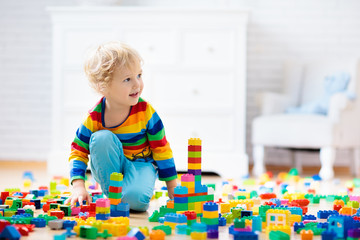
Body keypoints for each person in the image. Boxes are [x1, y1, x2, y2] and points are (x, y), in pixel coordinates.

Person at [64, 41, 178, 211]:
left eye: (139, 75)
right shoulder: (94, 118)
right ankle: (114, 194)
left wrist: (172, 187)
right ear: (103, 87)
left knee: (136, 202)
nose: (137, 84)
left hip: (141, 164)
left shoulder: (146, 112)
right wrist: (78, 186)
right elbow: (78, 152)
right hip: (112, 167)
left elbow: (161, 149)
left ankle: (124, 195)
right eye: (127, 79)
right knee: (101, 138)